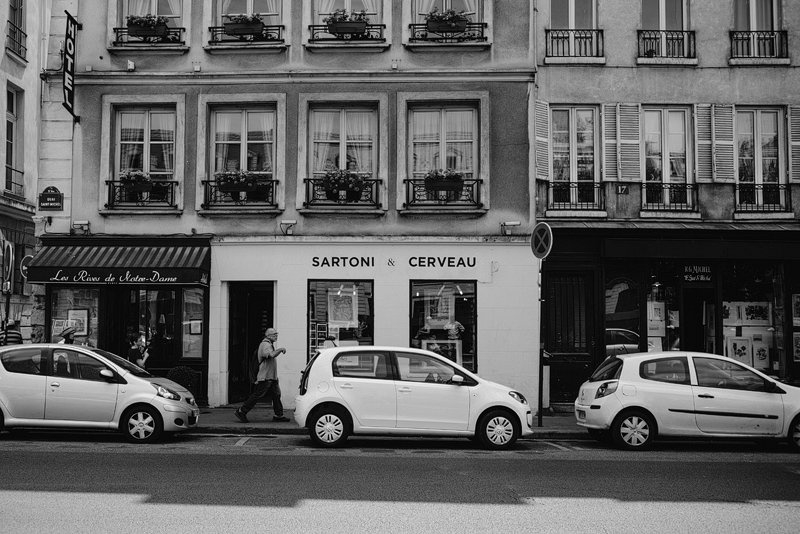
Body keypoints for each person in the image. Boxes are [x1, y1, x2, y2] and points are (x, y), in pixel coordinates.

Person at [235, 327, 290, 423]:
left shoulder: (269, 344)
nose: (276, 336)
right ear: (268, 336)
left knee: (276, 395)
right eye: (274, 334)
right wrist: (281, 349)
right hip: (265, 377)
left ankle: (279, 415)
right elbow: (271, 355)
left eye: (277, 334)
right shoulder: (265, 344)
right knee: (257, 395)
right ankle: (241, 411)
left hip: (271, 377)